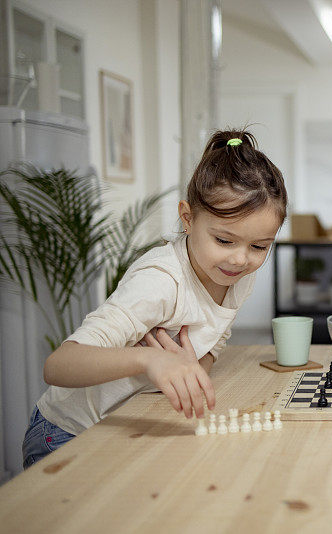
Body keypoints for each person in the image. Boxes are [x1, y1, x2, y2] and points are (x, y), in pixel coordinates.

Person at [22, 129, 287, 468]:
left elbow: (215, 340)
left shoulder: (237, 276)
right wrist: (150, 362)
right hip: (68, 432)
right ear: (188, 218)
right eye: (224, 241)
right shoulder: (159, 282)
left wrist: (188, 368)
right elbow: (58, 365)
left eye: (259, 246)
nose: (240, 259)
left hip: (130, 420)